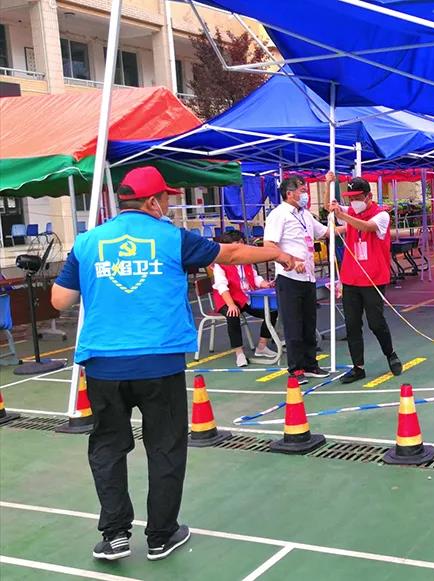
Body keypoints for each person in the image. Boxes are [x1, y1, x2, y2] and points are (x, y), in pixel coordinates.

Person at [51, 166, 298, 562]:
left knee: (108, 447)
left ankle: (114, 535)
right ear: (152, 202)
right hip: (158, 362)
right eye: (165, 198)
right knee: (164, 447)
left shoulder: (87, 242)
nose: (168, 204)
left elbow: (60, 300)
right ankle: (161, 535)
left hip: (103, 364)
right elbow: (231, 253)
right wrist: (279, 253)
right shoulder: (172, 238)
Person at [327, 174, 402, 384]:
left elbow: (367, 227)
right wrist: (328, 185)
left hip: (373, 278)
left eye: (357, 197)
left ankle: (390, 353)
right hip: (351, 278)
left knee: (376, 323)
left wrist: (343, 214)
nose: (353, 202)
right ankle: (358, 367)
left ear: (369, 196)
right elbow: (329, 208)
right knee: (352, 324)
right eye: (350, 198)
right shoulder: (350, 211)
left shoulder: (381, 215)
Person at [264, 175, 331, 382]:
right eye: (302, 191)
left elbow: (326, 232)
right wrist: (291, 261)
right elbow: (269, 245)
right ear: (290, 193)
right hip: (289, 277)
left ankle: (311, 364)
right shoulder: (279, 215)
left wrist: (352, 223)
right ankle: (296, 369)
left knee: (309, 324)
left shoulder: (305, 215)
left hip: (308, 277)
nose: (306, 194)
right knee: (293, 325)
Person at [211, 230, 277, 367]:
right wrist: (231, 305)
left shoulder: (246, 261)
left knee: (271, 310)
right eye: (237, 244)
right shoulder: (220, 264)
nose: (241, 247)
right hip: (227, 299)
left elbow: (255, 277)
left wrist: (265, 284)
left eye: (242, 244)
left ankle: (262, 346)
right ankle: (239, 353)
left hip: (246, 298)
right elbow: (221, 286)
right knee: (233, 315)